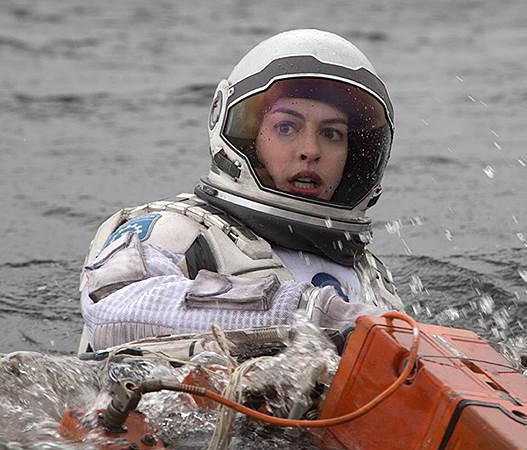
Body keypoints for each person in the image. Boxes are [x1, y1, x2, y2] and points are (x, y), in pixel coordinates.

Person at [78, 29, 402, 353]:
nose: (310, 150)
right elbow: (110, 308)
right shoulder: (181, 232)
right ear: (249, 137)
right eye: (286, 128)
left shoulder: (369, 274)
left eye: (331, 134)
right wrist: (305, 313)